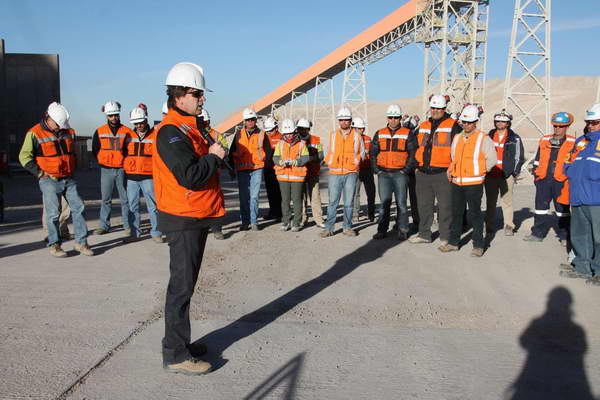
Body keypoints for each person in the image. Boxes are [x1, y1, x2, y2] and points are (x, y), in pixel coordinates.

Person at [154, 62, 226, 375]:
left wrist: (214, 154)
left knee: (186, 286)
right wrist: (213, 156)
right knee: (181, 288)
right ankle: (175, 354)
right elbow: (190, 176)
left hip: (194, 215)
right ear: (179, 95)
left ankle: (181, 343)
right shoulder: (170, 131)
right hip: (182, 218)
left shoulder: (189, 128)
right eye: (197, 94)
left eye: (201, 94)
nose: (201, 99)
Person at [19, 102, 93, 257]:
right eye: (57, 124)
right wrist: (40, 173)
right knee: (53, 213)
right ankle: (55, 245)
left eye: (61, 125)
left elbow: (72, 153)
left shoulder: (68, 131)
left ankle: (81, 243)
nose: (60, 128)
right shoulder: (34, 133)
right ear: (48, 118)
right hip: (49, 179)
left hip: (68, 178)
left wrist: (73, 168)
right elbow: (24, 157)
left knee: (79, 207)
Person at [439, 105, 496, 257]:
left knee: (476, 214)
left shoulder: (484, 138)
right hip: (457, 182)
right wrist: (451, 170)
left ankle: (478, 245)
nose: (466, 124)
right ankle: (453, 243)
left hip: (474, 183)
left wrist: (480, 172)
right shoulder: (457, 137)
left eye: (469, 122)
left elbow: (492, 159)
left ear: (475, 122)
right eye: (464, 122)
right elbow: (453, 157)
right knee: (456, 213)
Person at [409, 94, 462, 244]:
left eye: (438, 108)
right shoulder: (423, 125)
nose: (435, 111)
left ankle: (445, 235)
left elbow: (458, 150)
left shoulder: (453, 125)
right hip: (423, 173)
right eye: (433, 108)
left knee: (445, 207)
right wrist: (416, 166)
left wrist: (452, 168)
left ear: (444, 109)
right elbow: (414, 146)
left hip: (443, 173)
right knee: (424, 206)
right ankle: (424, 234)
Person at [560, 104, 600, 286]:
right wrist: (570, 171)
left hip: (596, 199)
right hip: (577, 196)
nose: (590, 125)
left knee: (598, 237)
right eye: (588, 122)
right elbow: (567, 161)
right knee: (580, 234)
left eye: (595, 122)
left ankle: (598, 271)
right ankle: (583, 268)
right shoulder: (581, 141)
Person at [523, 112, 575, 245]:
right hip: (544, 179)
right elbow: (537, 159)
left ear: (567, 126)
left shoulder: (573, 142)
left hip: (562, 181)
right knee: (540, 208)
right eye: (555, 126)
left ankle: (564, 236)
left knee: (562, 210)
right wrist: (536, 176)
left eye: (561, 126)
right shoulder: (545, 139)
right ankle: (537, 234)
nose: (557, 129)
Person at [371, 104, 417, 240]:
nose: (393, 120)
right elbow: (373, 153)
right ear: (387, 118)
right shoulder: (380, 133)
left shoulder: (407, 133)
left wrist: (406, 170)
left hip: (400, 174)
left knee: (401, 203)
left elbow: (413, 154)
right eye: (390, 117)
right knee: (384, 204)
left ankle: (403, 229)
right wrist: (377, 170)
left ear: (400, 118)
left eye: (396, 117)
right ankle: (382, 230)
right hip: (383, 174)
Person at [320, 107, 365, 238]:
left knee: (348, 203)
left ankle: (347, 227)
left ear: (350, 121)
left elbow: (362, 153)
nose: (344, 122)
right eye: (341, 120)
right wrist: (331, 163)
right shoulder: (333, 135)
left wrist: (354, 163)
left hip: (350, 173)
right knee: (332, 202)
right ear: (339, 121)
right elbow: (328, 151)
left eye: (346, 120)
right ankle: (329, 228)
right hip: (335, 173)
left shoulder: (357, 136)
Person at [227, 108, 272, 231]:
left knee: (254, 196)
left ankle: (254, 222)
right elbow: (232, 152)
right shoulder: (238, 134)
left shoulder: (262, 134)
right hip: (242, 169)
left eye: (252, 119)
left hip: (257, 168)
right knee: (243, 197)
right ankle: (245, 222)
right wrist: (230, 167)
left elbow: (268, 151)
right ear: (244, 121)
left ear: (256, 120)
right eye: (248, 120)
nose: (250, 122)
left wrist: (266, 164)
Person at [92, 101, 133, 235]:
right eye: (111, 115)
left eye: (116, 115)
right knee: (106, 199)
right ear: (107, 116)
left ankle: (128, 225)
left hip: (122, 169)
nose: (114, 117)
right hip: (106, 170)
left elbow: (130, 151)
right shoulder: (99, 131)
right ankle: (104, 226)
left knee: (125, 199)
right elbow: (95, 149)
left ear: (118, 114)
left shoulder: (127, 131)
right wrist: (103, 161)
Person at [123, 105, 162, 243]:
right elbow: (123, 153)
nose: (139, 125)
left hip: (148, 177)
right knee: (132, 207)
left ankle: (156, 232)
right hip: (132, 178)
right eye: (136, 123)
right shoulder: (128, 136)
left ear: (146, 120)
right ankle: (134, 234)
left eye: (141, 122)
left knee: (153, 206)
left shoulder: (155, 135)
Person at [484, 110, 525, 236]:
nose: (500, 123)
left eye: (503, 121)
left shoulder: (515, 138)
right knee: (490, 201)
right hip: (491, 174)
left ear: (508, 123)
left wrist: (514, 172)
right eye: (498, 121)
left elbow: (519, 156)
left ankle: (509, 225)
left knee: (507, 201)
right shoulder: (488, 136)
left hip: (506, 175)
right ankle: (489, 224)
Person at [273, 119, 310, 231]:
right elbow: (275, 157)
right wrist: (280, 162)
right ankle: (286, 222)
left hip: (297, 176)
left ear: (294, 132)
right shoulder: (280, 144)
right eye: (286, 133)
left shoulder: (301, 144)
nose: (289, 135)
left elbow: (306, 158)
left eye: (291, 133)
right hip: (283, 176)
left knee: (297, 200)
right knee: (285, 200)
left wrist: (296, 162)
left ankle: (296, 223)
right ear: (283, 133)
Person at [201, 108, 228, 240]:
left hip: (214, 171)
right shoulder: (193, 134)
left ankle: (217, 228)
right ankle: (203, 227)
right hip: (200, 171)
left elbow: (225, 149)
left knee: (216, 200)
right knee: (201, 200)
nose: (204, 124)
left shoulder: (216, 135)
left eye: (205, 121)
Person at [298, 118, 325, 228]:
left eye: (305, 129)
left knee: (315, 197)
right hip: (299, 173)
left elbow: (321, 156)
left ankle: (319, 219)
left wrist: (308, 158)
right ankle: (302, 219)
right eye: (301, 129)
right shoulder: (295, 140)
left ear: (309, 129)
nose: (303, 131)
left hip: (313, 172)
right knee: (300, 197)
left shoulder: (316, 140)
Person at [351, 117, 376, 223]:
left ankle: (371, 214)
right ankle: (355, 214)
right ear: (354, 128)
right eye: (360, 128)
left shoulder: (368, 139)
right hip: (356, 170)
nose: (362, 130)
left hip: (368, 170)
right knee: (355, 193)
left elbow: (373, 153)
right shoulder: (350, 139)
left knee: (371, 192)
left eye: (363, 128)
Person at [262, 116, 283, 222]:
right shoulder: (265, 137)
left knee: (278, 192)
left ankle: (279, 214)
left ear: (276, 128)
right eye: (267, 131)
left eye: (270, 130)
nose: (269, 133)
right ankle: (272, 212)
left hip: (279, 169)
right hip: (268, 168)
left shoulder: (282, 137)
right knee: (270, 191)